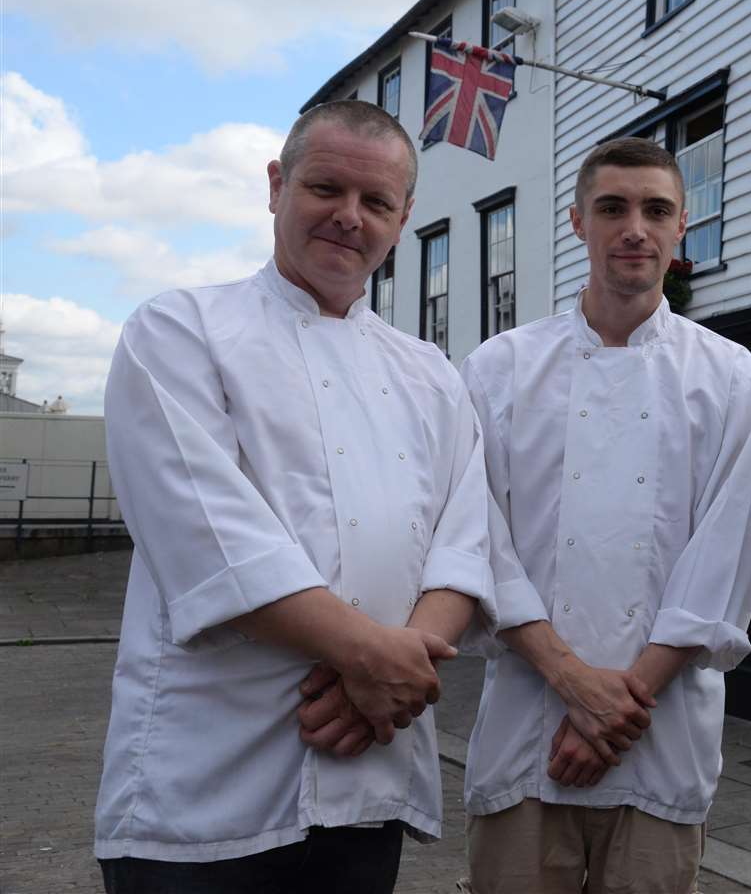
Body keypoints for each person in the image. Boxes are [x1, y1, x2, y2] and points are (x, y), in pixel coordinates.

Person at [95, 100, 499, 894]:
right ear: (276, 185)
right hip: (208, 794)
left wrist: (388, 674)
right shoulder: (180, 330)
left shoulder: (431, 374)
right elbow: (212, 536)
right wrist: (371, 657)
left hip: (366, 775)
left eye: (376, 202)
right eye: (326, 189)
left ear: (404, 217)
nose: (349, 218)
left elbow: (465, 544)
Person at [459, 137, 751, 894]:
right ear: (577, 222)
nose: (635, 227)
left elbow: (724, 555)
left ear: (681, 227)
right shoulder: (499, 368)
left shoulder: (729, 375)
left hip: (658, 736)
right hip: (527, 731)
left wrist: (615, 710)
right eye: (613, 208)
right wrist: (573, 682)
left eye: (655, 209)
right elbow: (477, 542)